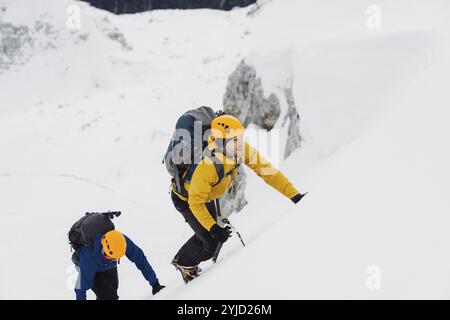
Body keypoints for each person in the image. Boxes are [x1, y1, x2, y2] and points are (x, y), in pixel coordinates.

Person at [170, 114, 305, 283]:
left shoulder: (240, 150)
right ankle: (184, 262)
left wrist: (294, 195)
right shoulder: (208, 165)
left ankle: (191, 252)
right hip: (186, 199)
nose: (240, 143)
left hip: (206, 193)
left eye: (241, 137)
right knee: (211, 243)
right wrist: (213, 228)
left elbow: (267, 171)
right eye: (235, 140)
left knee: (211, 234)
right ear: (220, 142)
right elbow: (195, 203)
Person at [74, 230, 165, 300]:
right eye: (110, 257)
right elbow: (80, 289)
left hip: (107, 267)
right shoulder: (88, 258)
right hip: (90, 268)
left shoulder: (121, 242)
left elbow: (141, 260)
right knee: (110, 297)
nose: (113, 260)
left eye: (116, 258)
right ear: (104, 249)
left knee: (112, 291)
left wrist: (155, 284)